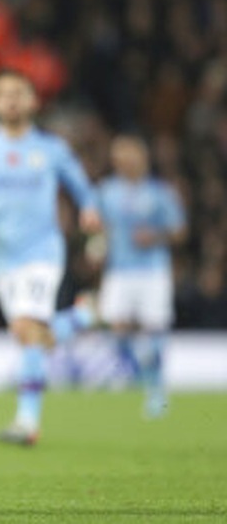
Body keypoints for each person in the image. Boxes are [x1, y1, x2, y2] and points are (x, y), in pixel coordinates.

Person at [0, 70, 101, 446]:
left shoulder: (51, 149)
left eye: (18, 93)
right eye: (3, 93)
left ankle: (27, 423)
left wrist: (88, 209)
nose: (11, 99)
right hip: (1, 257)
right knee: (29, 334)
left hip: (43, 251)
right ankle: (82, 316)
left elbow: (81, 186)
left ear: (33, 101)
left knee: (28, 331)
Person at [90, 134, 186, 417]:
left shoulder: (160, 192)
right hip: (119, 270)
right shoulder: (106, 191)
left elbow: (180, 232)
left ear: (142, 159)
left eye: (129, 157)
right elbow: (98, 226)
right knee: (115, 329)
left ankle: (156, 392)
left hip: (153, 271)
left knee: (154, 329)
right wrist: (96, 247)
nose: (123, 163)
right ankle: (143, 373)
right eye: (119, 158)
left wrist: (155, 236)